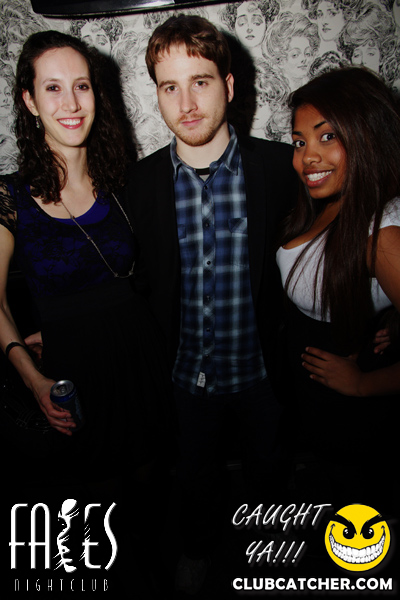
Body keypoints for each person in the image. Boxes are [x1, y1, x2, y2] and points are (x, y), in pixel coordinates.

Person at [125, 14, 298, 595]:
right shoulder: (138, 184)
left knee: (269, 475)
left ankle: (272, 555)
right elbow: (132, 280)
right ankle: (197, 550)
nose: (186, 103)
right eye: (169, 87)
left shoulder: (280, 169)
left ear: (228, 84)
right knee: (194, 477)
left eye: (199, 82)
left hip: (262, 374)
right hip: (183, 379)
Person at [0, 31, 170, 500]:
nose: (72, 103)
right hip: (72, 373)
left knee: (152, 485)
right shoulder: (9, 196)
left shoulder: (123, 181)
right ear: (30, 101)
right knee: (101, 495)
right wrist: (33, 378)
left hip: (141, 357)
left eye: (82, 86)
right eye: (52, 87)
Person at [276, 66, 400, 511]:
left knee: (359, 513)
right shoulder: (334, 201)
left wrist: (363, 384)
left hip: (352, 414)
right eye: (300, 142)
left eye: (327, 136)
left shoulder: (382, 234)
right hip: (318, 399)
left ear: (367, 136)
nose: (307, 157)